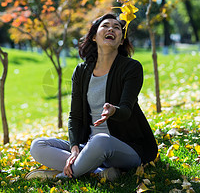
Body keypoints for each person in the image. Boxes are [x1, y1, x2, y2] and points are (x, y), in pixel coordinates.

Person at [27, 13, 158, 181]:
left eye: (117, 27)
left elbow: (126, 110)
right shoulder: (81, 71)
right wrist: (74, 149)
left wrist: (113, 111)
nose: (111, 28)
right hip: (88, 147)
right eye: (105, 26)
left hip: (125, 147)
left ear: (121, 40)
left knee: (101, 140)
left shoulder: (131, 68)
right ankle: (98, 172)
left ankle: (61, 177)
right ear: (94, 37)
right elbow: (75, 116)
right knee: (38, 145)